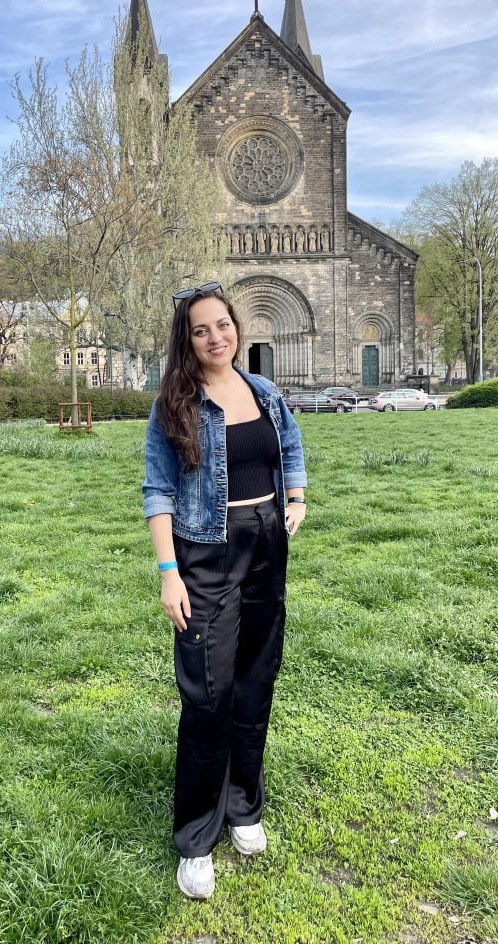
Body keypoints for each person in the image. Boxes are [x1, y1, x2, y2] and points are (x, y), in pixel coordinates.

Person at [142, 282, 307, 900]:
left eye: (222, 324)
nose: (217, 337)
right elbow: (157, 490)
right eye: (201, 330)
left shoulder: (263, 391)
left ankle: (243, 806)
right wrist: (168, 573)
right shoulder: (175, 405)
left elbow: (287, 446)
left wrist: (296, 499)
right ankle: (195, 837)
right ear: (186, 342)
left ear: (236, 326)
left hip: (267, 543)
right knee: (208, 693)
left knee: (256, 679)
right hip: (206, 553)